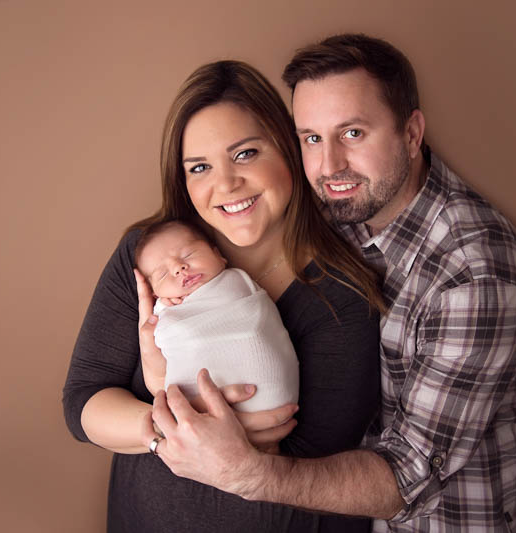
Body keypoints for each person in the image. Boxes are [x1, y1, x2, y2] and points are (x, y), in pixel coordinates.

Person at [149, 34, 516, 532]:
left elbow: (407, 477)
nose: (330, 166)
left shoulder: (478, 277)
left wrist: (245, 471)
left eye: (353, 133)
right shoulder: (337, 208)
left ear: (412, 133)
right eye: (311, 138)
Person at [63, 60, 384, 532]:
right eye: (200, 167)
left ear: (288, 148)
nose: (226, 184)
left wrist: (202, 428)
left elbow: (308, 459)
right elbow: (83, 403)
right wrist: (170, 429)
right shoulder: (150, 257)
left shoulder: (342, 294)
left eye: (246, 153)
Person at [135, 220, 299, 413]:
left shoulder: (237, 280)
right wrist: (160, 310)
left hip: (272, 397)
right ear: (156, 294)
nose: (178, 268)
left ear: (218, 255)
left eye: (188, 254)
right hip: (198, 411)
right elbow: (160, 365)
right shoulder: (163, 315)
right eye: (163, 274)